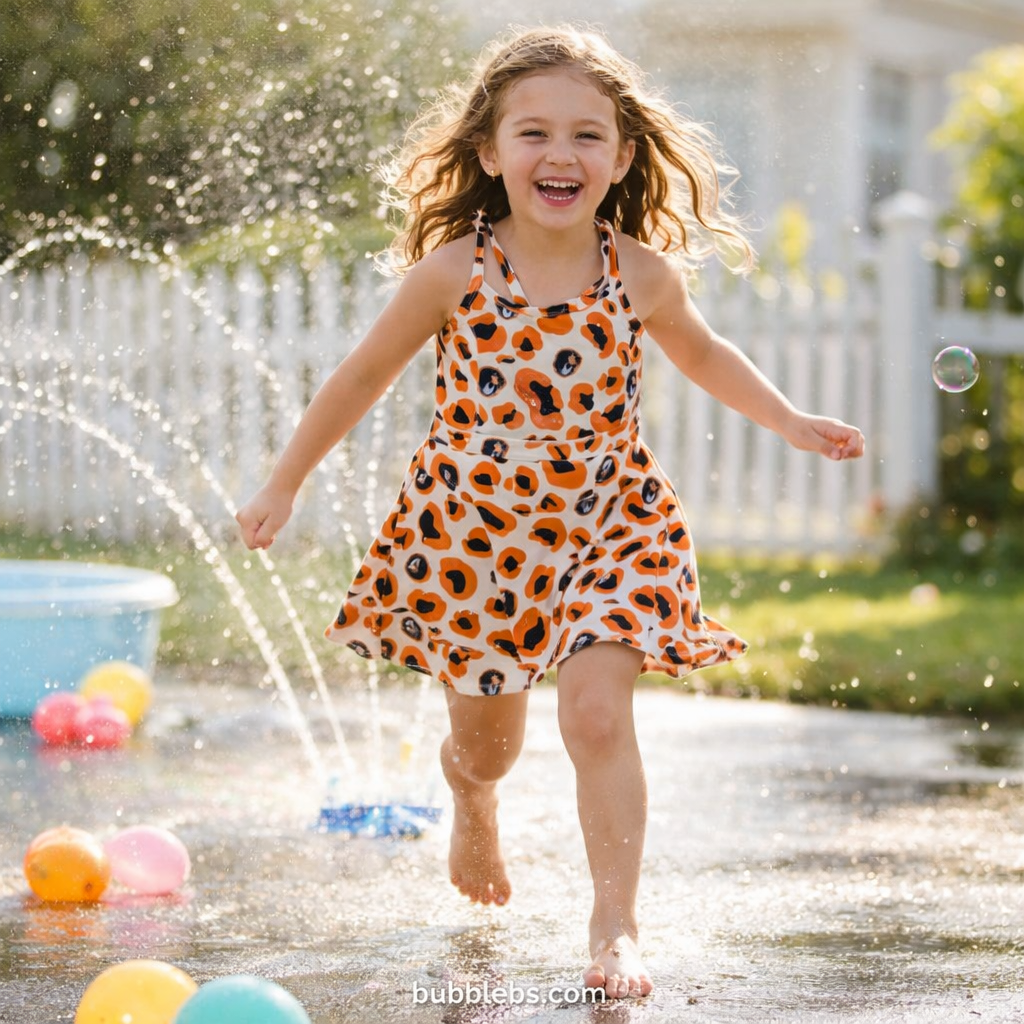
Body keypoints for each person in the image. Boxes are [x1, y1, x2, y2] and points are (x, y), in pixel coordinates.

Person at [236, 24, 865, 999]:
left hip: (608, 524)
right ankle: (470, 797)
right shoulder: (453, 271)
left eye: (585, 135)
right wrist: (285, 480)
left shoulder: (639, 272)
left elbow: (702, 357)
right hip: (474, 539)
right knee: (490, 743)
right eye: (532, 133)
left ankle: (614, 924)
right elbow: (360, 376)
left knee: (598, 714)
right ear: (489, 153)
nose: (559, 154)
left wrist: (785, 418)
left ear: (620, 157)